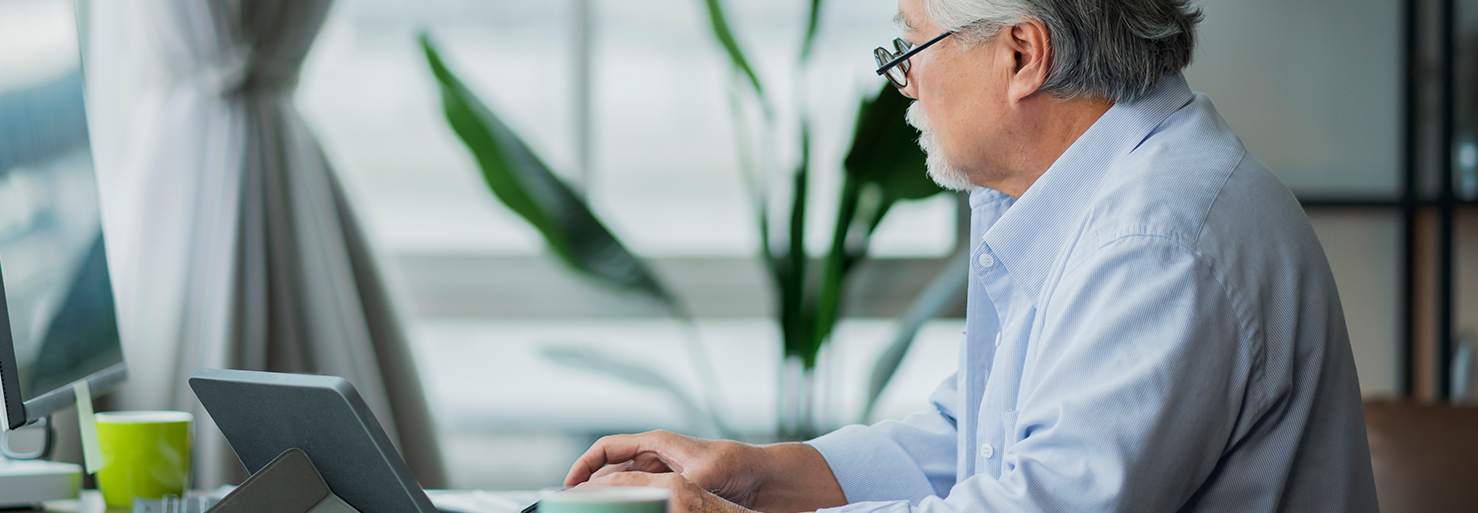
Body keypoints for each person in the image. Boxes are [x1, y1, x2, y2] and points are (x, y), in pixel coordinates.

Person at [560, 0, 1381, 511]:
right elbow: (970, 446)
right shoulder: (1086, 197)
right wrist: (753, 474)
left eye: (909, 48)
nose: (905, 84)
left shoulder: (1158, 242)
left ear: (1022, 54)